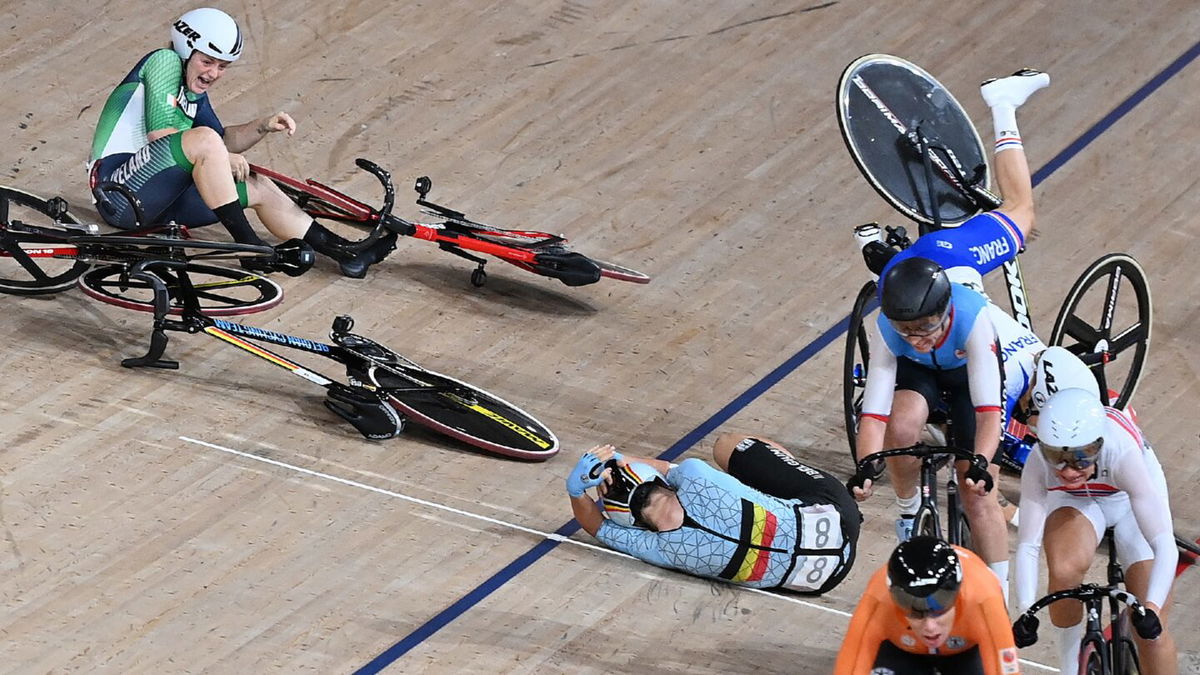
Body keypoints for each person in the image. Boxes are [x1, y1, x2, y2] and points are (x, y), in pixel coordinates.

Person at [850, 70, 1051, 600]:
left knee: (1023, 214)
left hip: (955, 261)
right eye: (905, 330)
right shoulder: (889, 328)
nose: (914, 337)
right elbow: (873, 411)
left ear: (943, 316)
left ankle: (1002, 104)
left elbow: (989, 411)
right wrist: (867, 466)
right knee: (902, 426)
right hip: (914, 283)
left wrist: (983, 463)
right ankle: (908, 508)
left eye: (923, 329)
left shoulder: (973, 321)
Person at [88, 8, 395, 278]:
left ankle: (345, 253)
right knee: (207, 143)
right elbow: (162, 135)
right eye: (208, 62)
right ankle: (249, 247)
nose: (213, 74)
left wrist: (261, 126)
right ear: (185, 50)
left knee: (257, 184)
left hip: (159, 203)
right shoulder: (164, 61)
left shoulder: (191, 91)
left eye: (222, 66)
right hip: (118, 194)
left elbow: (221, 141)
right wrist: (220, 153)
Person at [565, 433, 861, 594]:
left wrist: (575, 491)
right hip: (837, 514)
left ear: (633, 523)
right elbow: (665, 469)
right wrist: (619, 458)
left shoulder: (661, 550)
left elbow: (598, 528)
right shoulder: (695, 475)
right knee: (727, 446)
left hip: (821, 580)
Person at [1014, 387, 1177, 675]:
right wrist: (1027, 610)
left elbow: (1164, 544)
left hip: (1128, 501)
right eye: (1057, 456)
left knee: (1153, 634)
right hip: (1077, 503)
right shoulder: (1039, 461)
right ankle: (1070, 668)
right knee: (1063, 572)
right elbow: (1028, 544)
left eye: (1082, 457)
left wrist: (1150, 608)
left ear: (1099, 445)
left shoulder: (1121, 452)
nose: (1068, 470)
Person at [834, 536, 1020, 675]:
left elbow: (1006, 670)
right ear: (893, 596)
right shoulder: (878, 597)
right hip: (902, 652)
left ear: (958, 593)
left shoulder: (983, 598)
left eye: (941, 605)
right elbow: (849, 667)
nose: (929, 626)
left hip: (965, 654)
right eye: (912, 607)